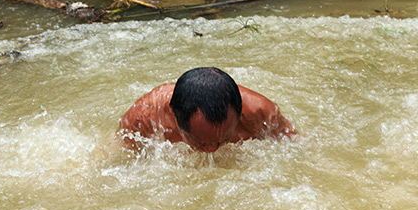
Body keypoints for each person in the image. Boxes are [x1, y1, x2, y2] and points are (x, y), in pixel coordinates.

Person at [119, 67, 295, 152]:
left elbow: (291, 146)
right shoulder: (147, 115)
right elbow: (122, 151)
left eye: (224, 140)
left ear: (240, 115)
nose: (212, 150)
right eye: (200, 142)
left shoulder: (260, 112)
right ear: (174, 116)